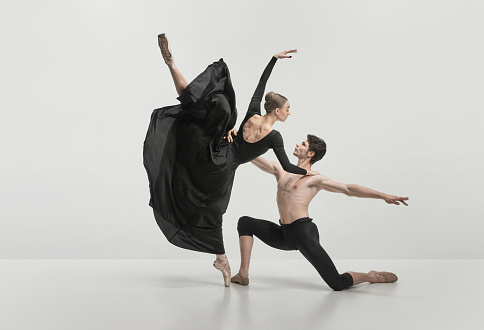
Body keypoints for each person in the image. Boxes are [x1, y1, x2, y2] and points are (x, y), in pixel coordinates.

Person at [143, 33, 317, 287]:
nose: (290, 112)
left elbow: (260, 85)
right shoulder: (275, 138)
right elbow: (289, 167)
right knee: (214, 211)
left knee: (197, 107)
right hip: (223, 167)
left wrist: (272, 60)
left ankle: (172, 65)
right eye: (288, 109)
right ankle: (221, 259)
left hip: (213, 148)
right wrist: (308, 174)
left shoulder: (252, 113)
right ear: (277, 112)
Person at [231, 134, 409, 290]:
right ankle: (243, 274)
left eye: (303, 144)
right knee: (245, 222)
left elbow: (348, 188)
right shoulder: (282, 170)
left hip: (303, 232)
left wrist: (382, 195)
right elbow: (251, 156)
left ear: (310, 154)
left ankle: (370, 276)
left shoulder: (315, 179)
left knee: (337, 283)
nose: (298, 145)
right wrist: (234, 139)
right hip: (283, 234)